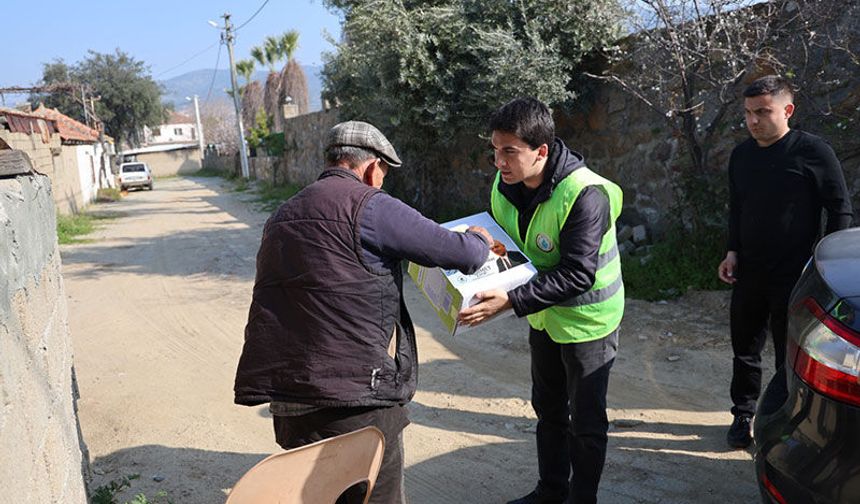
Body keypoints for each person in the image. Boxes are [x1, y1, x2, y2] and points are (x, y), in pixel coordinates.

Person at [233, 120, 492, 503]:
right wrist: (479, 238)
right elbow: (463, 255)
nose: (382, 181)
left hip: (290, 402)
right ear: (372, 168)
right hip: (356, 402)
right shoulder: (371, 207)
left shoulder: (281, 215)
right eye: (384, 173)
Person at [459, 97, 624, 504]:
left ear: (542, 150)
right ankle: (551, 491)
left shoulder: (586, 195)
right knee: (548, 409)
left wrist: (510, 301)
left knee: (585, 423)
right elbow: (505, 241)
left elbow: (578, 273)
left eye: (509, 152)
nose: (499, 162)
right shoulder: (506, 184)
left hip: (589, 321)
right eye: (495, 150)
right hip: (545, 317)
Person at [717, 75, 854, 448]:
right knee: (744, 349)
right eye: (748, 113)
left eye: (763, 111)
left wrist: (825, 265)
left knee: (788, 354)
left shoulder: (812, 151)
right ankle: (742, 415)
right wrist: (732, 251)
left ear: (787, 110)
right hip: (749, 271)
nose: (753, 121)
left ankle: (782, 422)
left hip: (796, 274)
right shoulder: (742, 155)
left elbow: (839, 210)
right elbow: (738, 208)